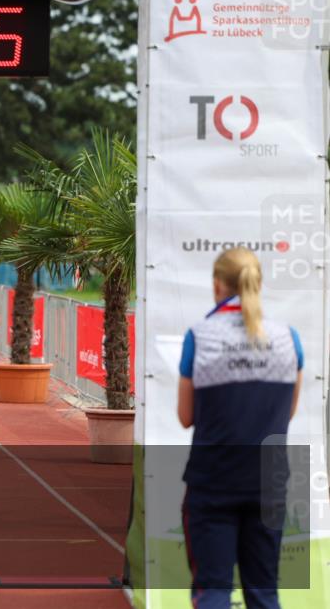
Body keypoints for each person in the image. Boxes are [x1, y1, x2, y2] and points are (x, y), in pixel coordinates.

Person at [177, 247, 303, 609]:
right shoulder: (287, 338)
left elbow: (186, 416)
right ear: (257, 283)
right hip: (269, 480)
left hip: (214, 479)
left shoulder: (200, 336)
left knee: (213, 590)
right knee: (263, 591)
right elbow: (287, 413)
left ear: (217, 284)